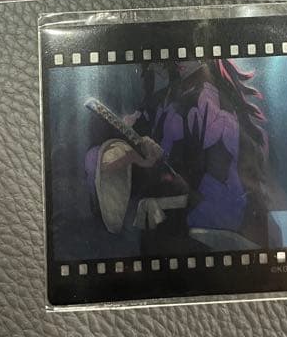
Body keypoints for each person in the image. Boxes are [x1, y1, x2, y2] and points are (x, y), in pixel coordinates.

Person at [85, 58, 269, 254]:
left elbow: (223, 200)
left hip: (204, 237)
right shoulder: (160, 101)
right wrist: (133, 157)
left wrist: (171, 199)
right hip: (164, 232)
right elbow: (115, 158)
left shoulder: (211, 104)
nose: (176, 61)